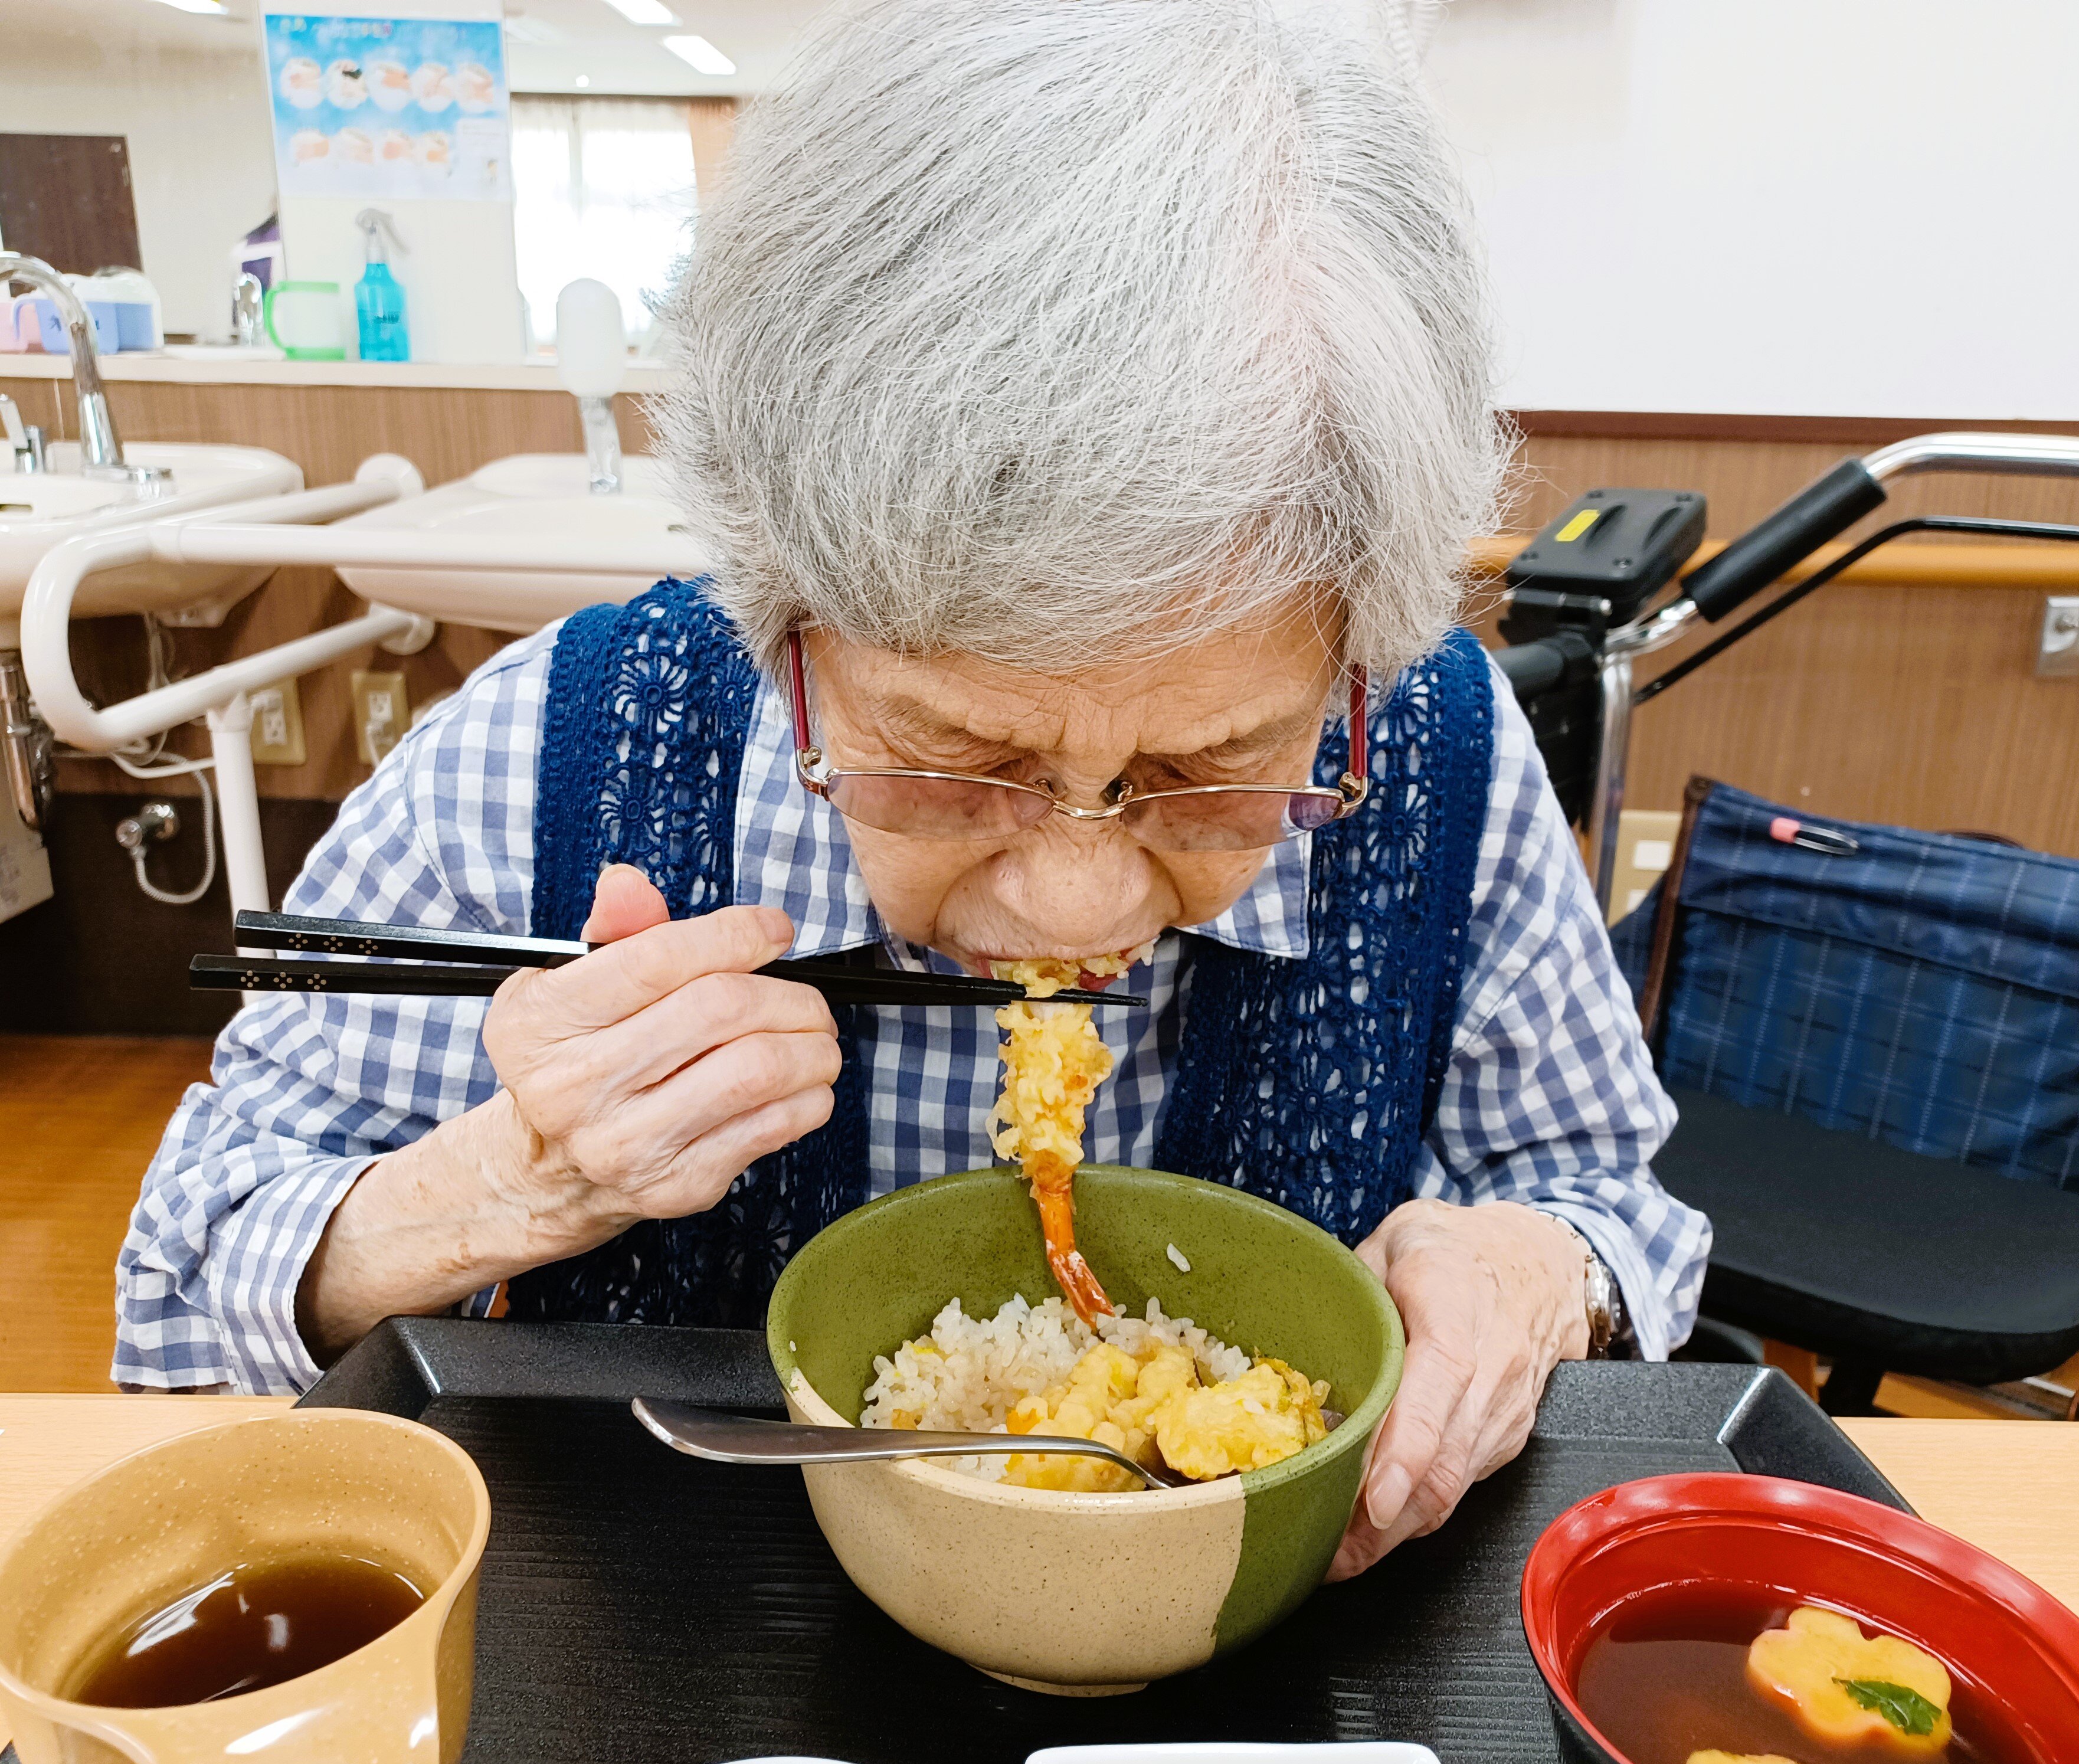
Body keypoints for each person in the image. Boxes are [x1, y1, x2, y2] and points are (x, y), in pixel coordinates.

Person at [119, 0, 1708, 1581]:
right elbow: (181, 1308)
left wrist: (1529, 1273)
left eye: (1206, 768)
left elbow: (1607, 1205)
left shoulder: (1433, 756)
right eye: (962, 761)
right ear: (784, 626)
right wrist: (509, 1185)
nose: (1074, 906)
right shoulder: (549, 753)